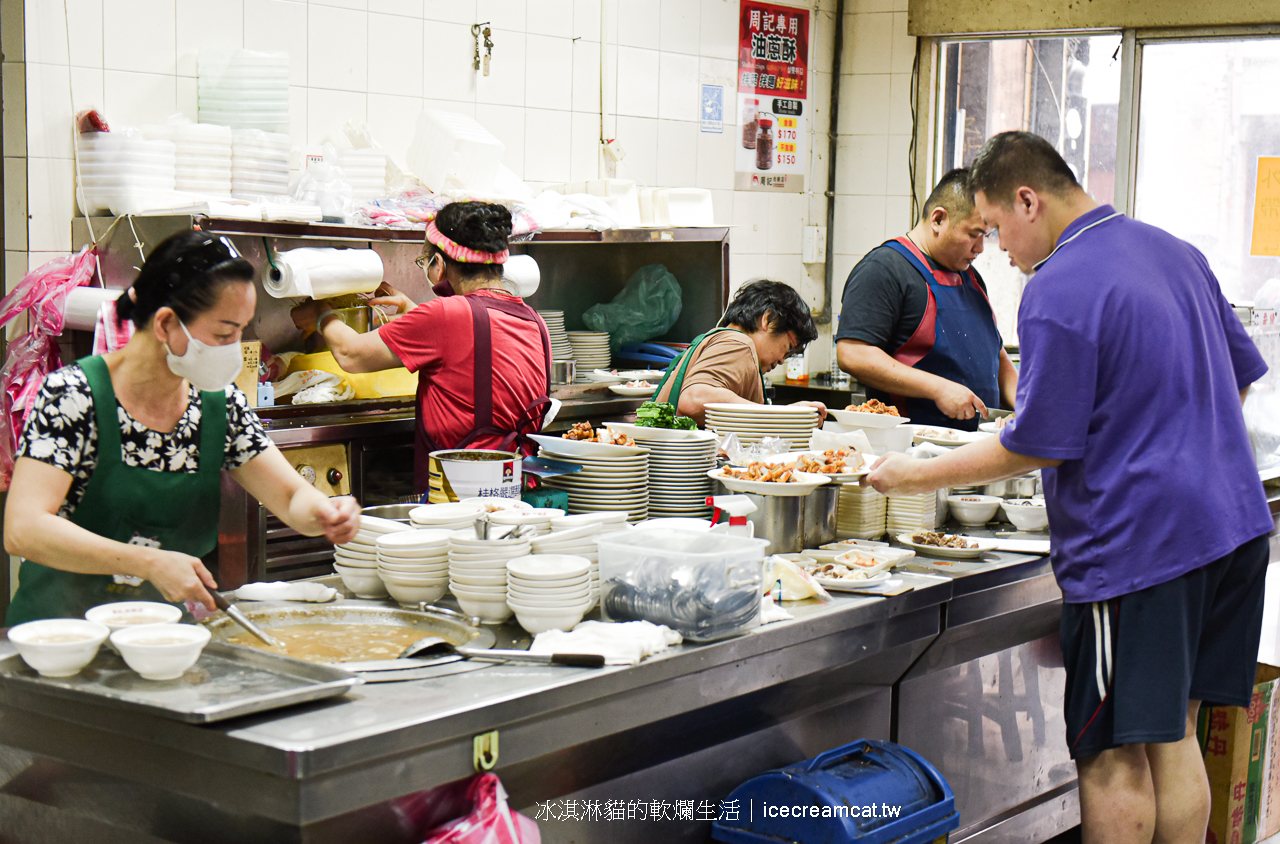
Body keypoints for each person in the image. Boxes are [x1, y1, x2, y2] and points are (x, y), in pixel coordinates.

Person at [865, 132, 1273, 844]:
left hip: (1141, 552)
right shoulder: (1175, 252)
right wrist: (1175, 449)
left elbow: (1035, 444)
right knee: (1172, 730)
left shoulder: (1058, 286)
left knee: (1111, 752)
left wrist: (910, 473)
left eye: (996, 228)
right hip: (1233, 529)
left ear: (1030, 200)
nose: (1001, 250)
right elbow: (1236, 378)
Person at [4, 232, 361, 625]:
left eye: (242, 330)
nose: (235, 347)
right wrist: (149, 563)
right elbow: (24, 528)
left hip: (160, 641)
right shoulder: (74, 396)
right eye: (225, 334)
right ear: (166, 324)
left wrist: (325, 512)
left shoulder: (219, 406)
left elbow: (291, 497)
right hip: (60, 641)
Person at [291, 201, 551, 496]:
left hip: (460, 494)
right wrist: (414, 312)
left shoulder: (445, 315)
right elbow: (476, 349)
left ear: (438, 265)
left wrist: (321, 315)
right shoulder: (533, 320)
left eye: (424, 261)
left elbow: (351, 354)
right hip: (516, 487)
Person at [835, 168, 1017, 429]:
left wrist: (1027, 405)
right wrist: (938, 389)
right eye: (973, 234)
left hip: (977, 448)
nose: (979, 249)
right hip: (914, 450)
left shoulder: (972, 277)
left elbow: (997, 357)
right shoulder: (884, 269)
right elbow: (853, 353)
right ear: (938, 219)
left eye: (985, 237)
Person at [653, 279, 825, 426]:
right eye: (788, 348)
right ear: (769, 319)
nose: (781, 360)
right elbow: (693, 399)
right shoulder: (738, 344)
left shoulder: (717, 340)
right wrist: (783, 414)